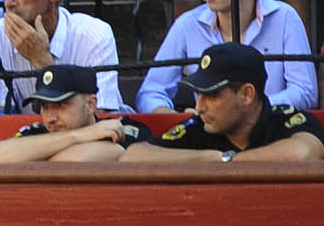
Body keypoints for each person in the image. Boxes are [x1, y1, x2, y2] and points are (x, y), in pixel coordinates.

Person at [136, 0, 318, 112]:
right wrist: (170, 115)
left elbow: (305, 92)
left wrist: (246, 108)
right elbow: (151, 92)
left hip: (268, 128)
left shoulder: (285, 18)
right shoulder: (188, 24)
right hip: (208, 133)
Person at [125, 42, 324, 161]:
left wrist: (227, 160)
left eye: (212, 96)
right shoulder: (199, 127)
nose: (199, 107)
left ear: (246, 94)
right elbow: (133, 156)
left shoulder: (287, 121)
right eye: (199, 95)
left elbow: (302, 153)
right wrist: (208, 159)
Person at [0, 64, 152, 163]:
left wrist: (33, 155)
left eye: (61, 105)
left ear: (91, 104)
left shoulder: (124, 128)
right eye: (44, 106)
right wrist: (81, 135)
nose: (50, 118)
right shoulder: (38, 131)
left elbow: (75, 161)